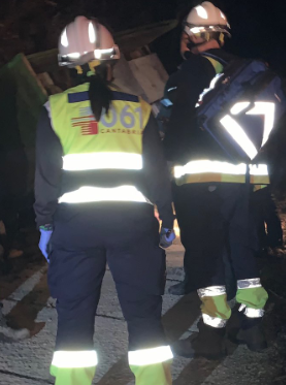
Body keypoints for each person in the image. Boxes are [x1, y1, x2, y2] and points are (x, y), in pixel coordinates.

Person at [34, 17, 176, 385]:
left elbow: (47, 180)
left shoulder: (54, 110)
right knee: (144, 313)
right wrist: (166, 218)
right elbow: (157, 173)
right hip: (133, 223)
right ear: (112, 61)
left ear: (66, 67)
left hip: (75, 226)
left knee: (74, 316)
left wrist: (45, 225)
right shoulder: (140, 109)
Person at [162, 2, 269, 359]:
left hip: (200, 181)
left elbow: (176, 130)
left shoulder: (191, 71)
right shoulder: (248, 72)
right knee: (242, 249)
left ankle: (210, 336)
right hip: (243, 181)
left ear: (193, 36)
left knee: (206, 257)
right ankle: (254, 326)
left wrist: (165, 164)